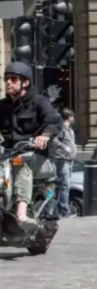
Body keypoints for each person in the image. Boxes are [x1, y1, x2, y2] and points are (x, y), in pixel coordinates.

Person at [0, 62, 62, 231]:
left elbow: (54, 120)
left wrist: (45, 135)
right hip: (8, 155)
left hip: (38, 156)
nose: (8, 83)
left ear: (25, 82)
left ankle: (21, 213)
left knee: (21, 161)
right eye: (6, 79)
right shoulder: (3, 106)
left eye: (13, 79)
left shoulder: (39, 102)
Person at [49, 108, 77, 218]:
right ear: (69, 117)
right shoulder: (61, 128)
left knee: (65, 185)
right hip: (62, 160)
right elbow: (53, 139)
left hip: (69, 160)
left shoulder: (69, 129)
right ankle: (64, 210)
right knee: (65, 185)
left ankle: (61, 209)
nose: (73, 118)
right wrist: (64, 147)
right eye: (73, 116)